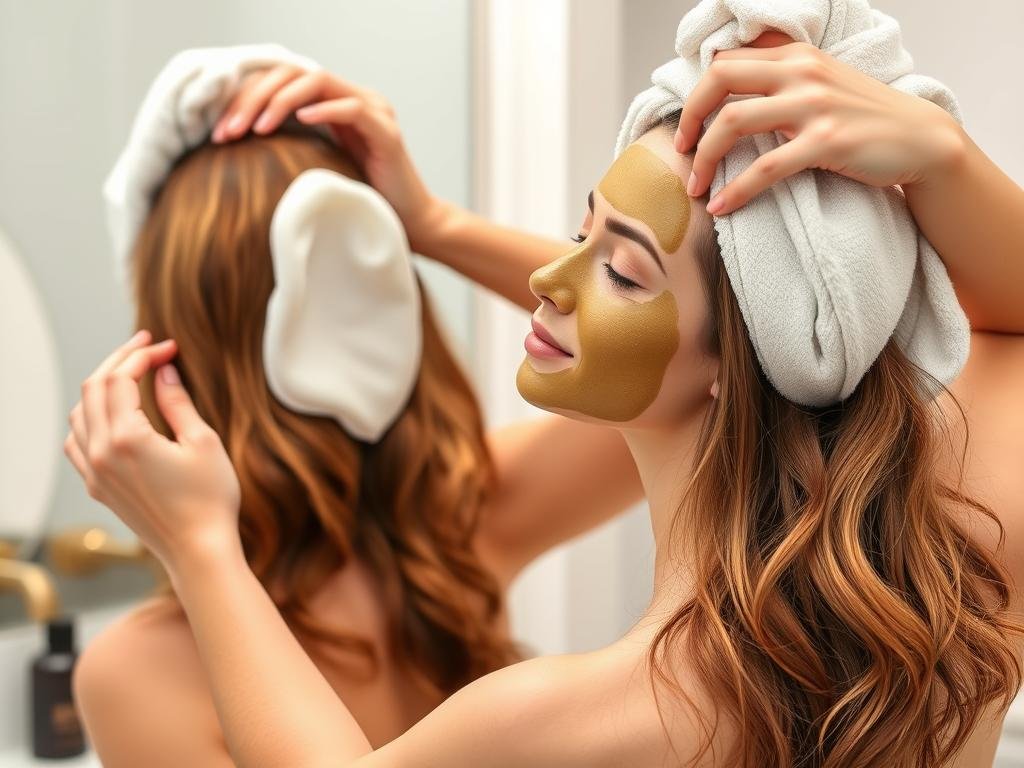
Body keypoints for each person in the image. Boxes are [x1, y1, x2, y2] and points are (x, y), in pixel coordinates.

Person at [66, 31, 1024, 768]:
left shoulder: (589, 711)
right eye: (576, 233)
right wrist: (941, 159)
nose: (546, 279)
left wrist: (199, 544)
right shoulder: (965, 567)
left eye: (618, 268)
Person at [70, 92, 645, 768]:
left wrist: (200, 548)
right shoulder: (466, 521)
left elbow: (702, 354)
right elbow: (689, 353)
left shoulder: (141, 671)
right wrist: (435, 228)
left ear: (179, 340)